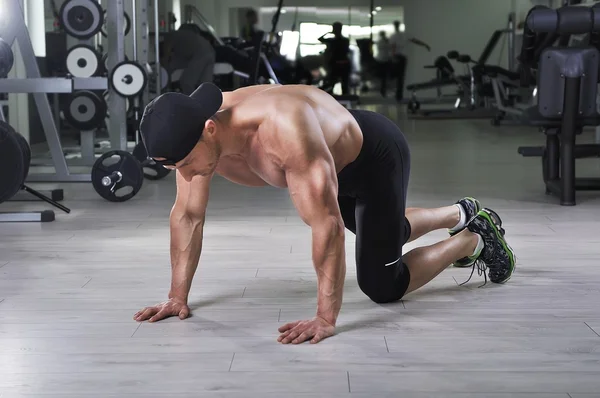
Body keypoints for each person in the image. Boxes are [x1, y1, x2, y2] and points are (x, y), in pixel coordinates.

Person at [133, 82, 517, 345]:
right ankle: (460, 213)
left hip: (373, 158)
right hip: (330, 153)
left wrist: (325, 317)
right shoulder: (190, 139)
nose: (183, 175)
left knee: (382, 284)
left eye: (185, 164)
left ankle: (473, 239)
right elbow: (187, 216)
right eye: (173, 168)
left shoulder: (282, 132)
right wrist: (176, 296)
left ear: (211, 129)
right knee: (381, 233)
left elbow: (327, 226)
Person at [161, 25, 215, 95]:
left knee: (186, 82)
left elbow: (166, 55)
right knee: (205, 84)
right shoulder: (181, 41)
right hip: (210, 50)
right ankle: (207, 102)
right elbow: (175, 62)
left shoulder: (170, 36)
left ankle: (191, 102)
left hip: (200, 52)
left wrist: (163, 63)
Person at [388, 20, 431, 101]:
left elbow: (393, 47)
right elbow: (415, 40)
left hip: (398, 57)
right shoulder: (404, 35)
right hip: (402, 57)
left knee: (397, 76)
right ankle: (398, 95)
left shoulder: (394, 36)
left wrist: (392, 57)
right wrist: (425, 45)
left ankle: (398, 95)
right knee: (400, 76)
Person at [318, 22, 352, 95]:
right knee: (343, 83)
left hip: (336, 64)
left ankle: (332, 99)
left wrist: (329, 33)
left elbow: (320, 39)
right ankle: (343, 97)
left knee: (333, 83)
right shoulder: (345, 40)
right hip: (342, 63)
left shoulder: (333, 41)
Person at [374, 30, 392, 97]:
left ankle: (383, 89)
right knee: (383, 76)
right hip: (382, 60)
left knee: (384, 76)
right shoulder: (382, 41)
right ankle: (382, 90)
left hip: (384, 60)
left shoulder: (383, 41)